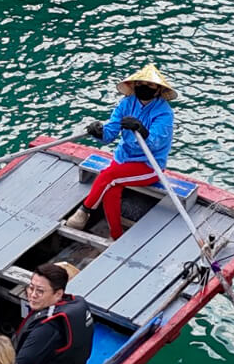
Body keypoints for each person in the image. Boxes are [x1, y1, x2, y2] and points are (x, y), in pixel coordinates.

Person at [67, 63, 181, 239]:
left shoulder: (164, 113)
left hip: (148, 165)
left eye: (150, 85)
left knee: (107, 176)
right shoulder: (126, 103)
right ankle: (116, 235)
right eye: (140, 84)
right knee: (111, 189)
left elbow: (155, 143)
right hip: (122, 159)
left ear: (158, 90)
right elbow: (110, 133)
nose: (144, 88)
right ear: (134, 86)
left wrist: (141, 130)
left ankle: (84, 211)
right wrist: (98, 131)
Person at [13, 263, 94, 364]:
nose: (32, 295)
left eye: (40, 291)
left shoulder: (48, 328)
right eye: (31, 287)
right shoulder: (75, 303)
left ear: (58, 294)